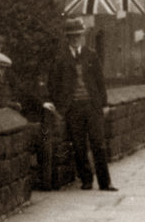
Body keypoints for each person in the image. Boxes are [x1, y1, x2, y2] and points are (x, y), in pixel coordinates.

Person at [45, 18, 116, 192]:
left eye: (78, 36)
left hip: (92, 106)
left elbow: (100, 82)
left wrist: (104, 103)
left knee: (98, 143)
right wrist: (54, 103)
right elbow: (53, 83)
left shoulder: (91, 55)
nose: (75, 39)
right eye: (72, 36)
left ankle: (105, 183)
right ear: (67, 38)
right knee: (78, 145)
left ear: (82, 37)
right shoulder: (60, 58)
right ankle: (86, 180)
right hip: (73, 107)